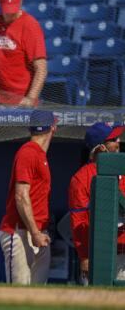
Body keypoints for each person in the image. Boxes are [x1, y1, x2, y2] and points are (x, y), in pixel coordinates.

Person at [0, 110, 56, 285]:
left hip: (37, 231)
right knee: (19, 294)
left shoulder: (38, 154)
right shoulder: (28, 152)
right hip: (19, 231)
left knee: (38, 296)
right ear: (53, 128)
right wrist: (35, 233)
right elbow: (21, 196)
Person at [69, 122, 125, 284]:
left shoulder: (123, 170)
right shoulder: (81, 178)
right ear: (101, 148)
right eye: (113, 139)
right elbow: (78, 222)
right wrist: (84, 256)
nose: (119, 141)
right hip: (99, 254)